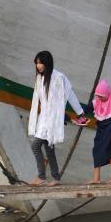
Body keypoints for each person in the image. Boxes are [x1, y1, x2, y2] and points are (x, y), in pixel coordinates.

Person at [28, 50, 90, 186]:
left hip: (51, 119)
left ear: (47, 63)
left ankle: (41, 176)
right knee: (49, 148)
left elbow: (69, 94)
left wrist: (79, 113)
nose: (38, 66)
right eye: (36, 63)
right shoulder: (40, 78)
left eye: (40, 63)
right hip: (44, 118)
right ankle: (56, 178)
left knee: (35, 146)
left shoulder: (58, 77)